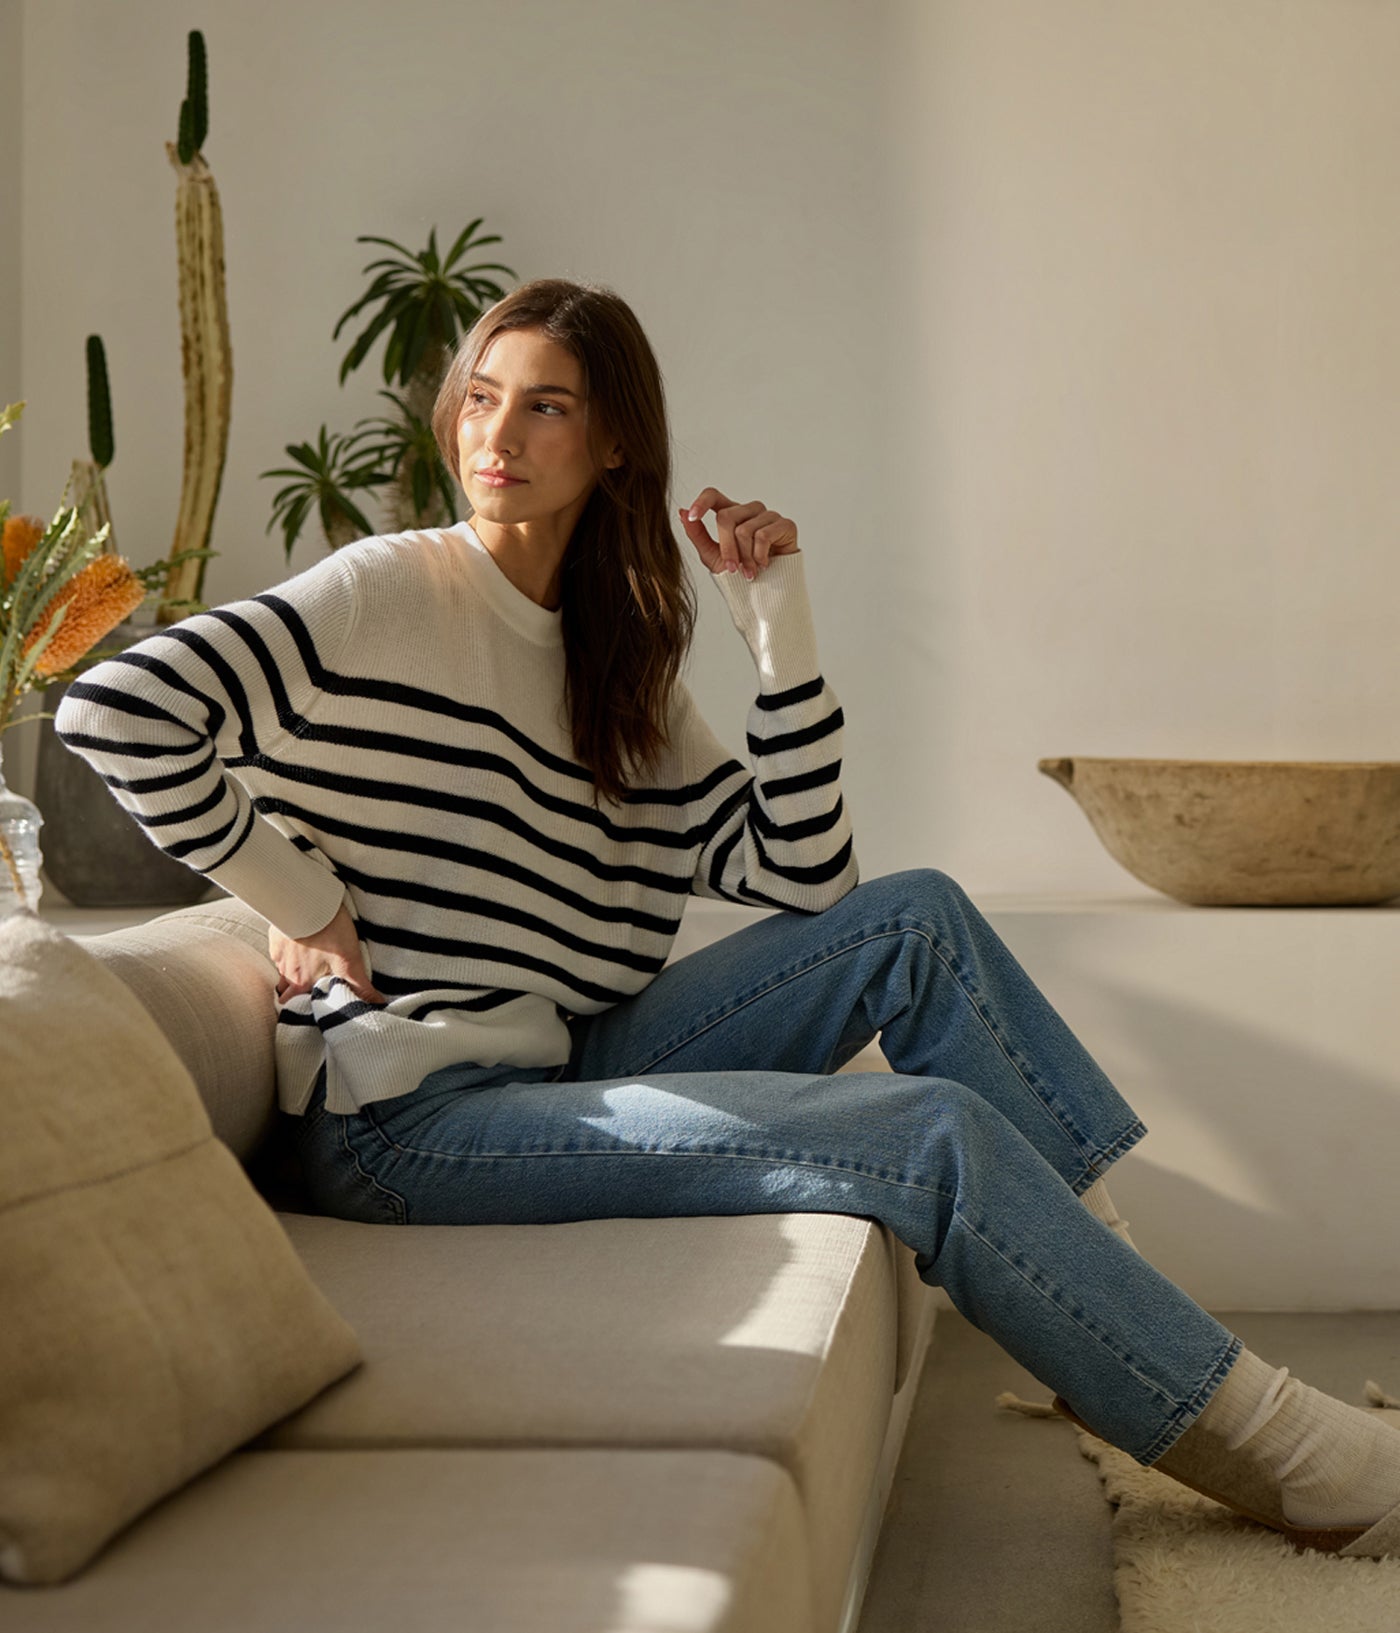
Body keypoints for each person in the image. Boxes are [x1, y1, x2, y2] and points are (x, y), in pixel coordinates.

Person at [55, 277, 1399, 1560]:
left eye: (546, 405)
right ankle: (1291, 1459)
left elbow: (805, 877)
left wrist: (779, 626)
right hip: (410, 1121)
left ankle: (1106, 1302)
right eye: (482, 396)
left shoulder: (613, 650)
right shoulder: (386, 590)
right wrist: (306, 894)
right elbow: (115, 710)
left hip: (567, 1057)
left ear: (618, 442)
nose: (496, 434)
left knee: (914, 918)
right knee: (927, 1133)